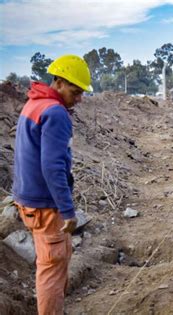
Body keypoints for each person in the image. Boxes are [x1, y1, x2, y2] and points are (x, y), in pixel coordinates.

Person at [13, 54, 92, 315]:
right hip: (47, 206)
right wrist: (68, 211)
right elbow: (53, 167)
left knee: (52, 264)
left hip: (29, 200)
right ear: (58, 82)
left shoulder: (33, 104)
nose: (79, 98)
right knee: (52, 269)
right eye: (75, 90)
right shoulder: (55, 113)